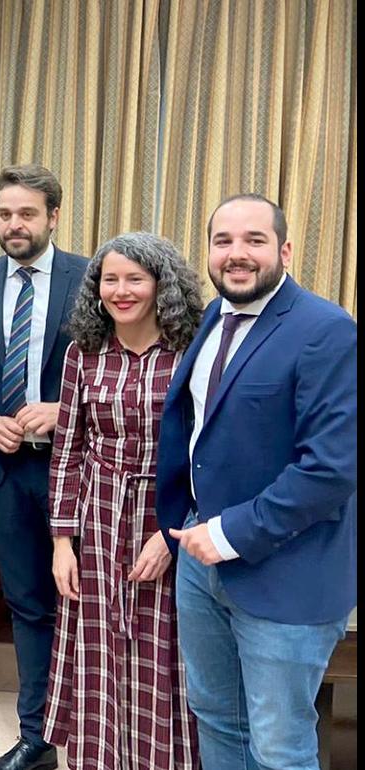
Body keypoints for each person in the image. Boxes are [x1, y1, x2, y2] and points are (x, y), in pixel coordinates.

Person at [155, 195, 357, 770]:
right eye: (223, 241)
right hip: (200, 561)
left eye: (254, 240)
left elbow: (331, 469)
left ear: (285, 250)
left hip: (288, 570)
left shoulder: (327, 330)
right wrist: (193, 533)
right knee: (217, 720)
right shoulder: (213, 321)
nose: (237, 254)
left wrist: (229, 534)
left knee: (279, 744)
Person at [43, 232, 202, 769]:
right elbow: (67, 449)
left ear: (162, 284)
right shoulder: (82, 354)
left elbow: (209, 450)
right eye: (110, 279)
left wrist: (172, 533)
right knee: (98, 653)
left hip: (170, 517)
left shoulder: (193, 350)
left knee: (165, 656)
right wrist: (62, 542)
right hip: (97, 519)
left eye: (135, 278)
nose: (122, 290)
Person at [0, 164, 88, 770]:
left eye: (27, 214)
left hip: (83, 473)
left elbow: (121, 370)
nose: (14, 224)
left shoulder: (92, 277)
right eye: (5, 213)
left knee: (85, 606)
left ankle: (92, 733)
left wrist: (66, 409)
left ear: (53, 217)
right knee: (29, 606)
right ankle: (37, 737)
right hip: (7, 474)